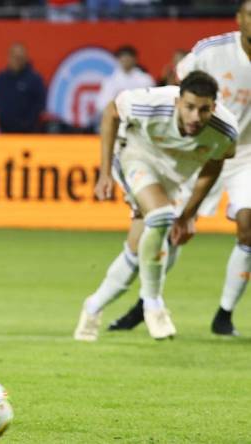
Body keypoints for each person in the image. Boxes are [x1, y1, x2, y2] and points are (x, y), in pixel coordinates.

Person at [108, 0, 251, 337]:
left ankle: (224, 315)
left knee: (248, 226)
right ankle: (146, 303)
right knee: (169, 231)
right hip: (199, 152)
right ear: (239, 19)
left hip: (245, 154)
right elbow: (177, 85)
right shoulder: (212, 52)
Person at [73, 71, 238, 341]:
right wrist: (104, 173)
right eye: (189, 107)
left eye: (204, 109)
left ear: (214, 107)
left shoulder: (225, 130)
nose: (196, 116)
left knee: (137, 250)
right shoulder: (150, 103)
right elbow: (111, 113)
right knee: (161, 216)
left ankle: (92, 307)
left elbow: (214, 164)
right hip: (135, 155)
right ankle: (153, 304)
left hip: (174, 177)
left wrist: (188, 215)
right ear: (177, 102)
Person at [0, 43, 46, 133]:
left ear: (26, 59)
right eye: (15, 57)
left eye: (20, 58)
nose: (17, 61)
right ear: (9, 58)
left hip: (28, 132)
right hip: (3, 131)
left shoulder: (35, 79)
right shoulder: (0, 78)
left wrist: (29, 122)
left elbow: (41, 104)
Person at [95, 46, 155, 116]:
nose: (126, 59)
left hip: (141, 116)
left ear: (135, 59)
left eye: (129, 57)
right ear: (118, 60)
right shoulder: (110, 81)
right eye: (123, 57)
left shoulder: (145, 79)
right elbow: (101, 105)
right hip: (117, 117)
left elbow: (152, 102)